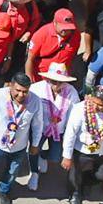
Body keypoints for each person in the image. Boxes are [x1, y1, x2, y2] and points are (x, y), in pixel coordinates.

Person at [0, 73, 44, 204]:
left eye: (25, 91)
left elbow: (38, 124)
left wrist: (35, 144)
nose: (21, 95)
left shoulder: (35, 101)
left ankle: (4, 190)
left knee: (13, 171)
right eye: (17, 90)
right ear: (11, 86)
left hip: (19, 146)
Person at [61, 85, 103, 204]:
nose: (95, 107)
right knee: (75, 174)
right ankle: (74, 194)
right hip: (82, 150)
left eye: (100, 105)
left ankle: (87, 182)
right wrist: (67, 156)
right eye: (93, 102)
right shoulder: (79, 109)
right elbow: (70, 133)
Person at [27, 62, 79, 191]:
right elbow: (29, 108)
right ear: (48, 79)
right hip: (39, 128)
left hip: (59, 130)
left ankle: (43, 156)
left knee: (56, 156)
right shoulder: (36, 89)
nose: (57, 85)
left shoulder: (71, 92)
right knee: (33, 150)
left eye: (60, 82)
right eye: (53, 81)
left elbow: (74, 113)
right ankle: (33, 172)